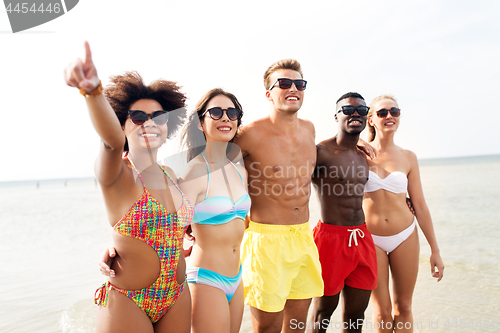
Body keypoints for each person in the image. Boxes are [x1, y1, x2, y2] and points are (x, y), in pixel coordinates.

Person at [65, 42, 192, 333]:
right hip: (127, 301)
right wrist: (92, 91)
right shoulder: (117, 174)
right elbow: (109, 140)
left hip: (176, 295)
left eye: (158, 117)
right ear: (123, 125)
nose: (149, 123)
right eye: (137, 117)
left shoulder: (172, 174)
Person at [235, 59, 324, 333]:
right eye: (284, 83)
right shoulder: (248, 134)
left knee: (296, 328)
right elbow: (209, 167)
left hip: (303, 238)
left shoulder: (309, 130)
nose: (293, 88)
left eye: (299, 84)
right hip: (266, 242)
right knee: (267, 331)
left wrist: (361, 145)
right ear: (268, 94)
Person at [363, 94, 444, 332]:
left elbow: (419, 204)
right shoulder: (358, 154)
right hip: (371, 238)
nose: (389, 116)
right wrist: (354, 143)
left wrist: (435, 250)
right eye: (382, 113)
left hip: (405, 235)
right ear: (371, 120)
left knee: (405, 307)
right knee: (381, 312)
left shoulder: (409, 157)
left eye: (394, 112)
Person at [178, 88, 250, 333]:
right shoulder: (194, 172)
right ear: (201, 123)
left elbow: (243, 223)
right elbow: (169, 232)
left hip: (237, 277)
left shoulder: (240, 171)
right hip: (206, 279)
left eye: (232, 112)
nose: (225, 118)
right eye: (216, 112)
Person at [308, 93, 378, 333]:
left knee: (357, 316)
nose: (355, 114)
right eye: (348, 110)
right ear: (336, 116)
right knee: (322, 315)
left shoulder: (363, 156)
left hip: (362, 237)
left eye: (361, 110)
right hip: (330, 239)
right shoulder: (321, 152)